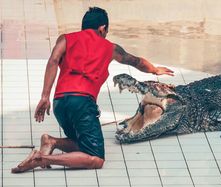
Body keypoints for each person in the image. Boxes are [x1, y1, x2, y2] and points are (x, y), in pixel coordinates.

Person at [11, 7, 173, 173]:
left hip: (59, 103)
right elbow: (135, 61)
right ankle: (40, 159)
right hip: (81, 103)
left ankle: (51, 142)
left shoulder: (65, 39)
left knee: (81, 141)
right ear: (102, 28)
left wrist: (45, 97)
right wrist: (155, 70)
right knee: (96, 158)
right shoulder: (111, 48)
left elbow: (53, 61)